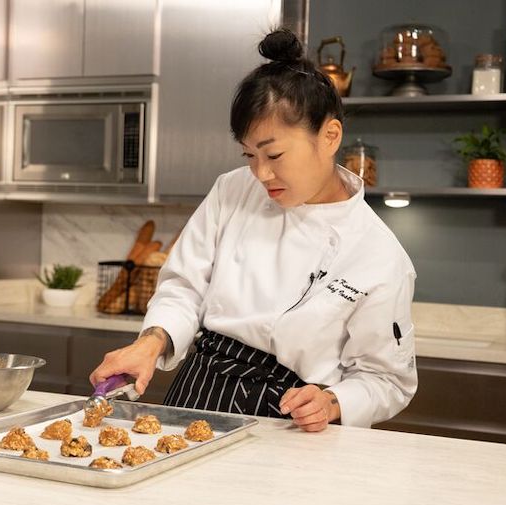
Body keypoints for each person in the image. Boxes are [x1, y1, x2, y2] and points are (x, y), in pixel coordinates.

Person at [90, 28, 417, 432]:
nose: (261, 173)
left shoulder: (379, 254)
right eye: (250, 155)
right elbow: (185, 286)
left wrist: (332, 402)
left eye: (274, 154)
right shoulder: (232, 190)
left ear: (330, 136)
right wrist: (150, 343)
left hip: (294, 419)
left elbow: (388, 381)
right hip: (198, 391)